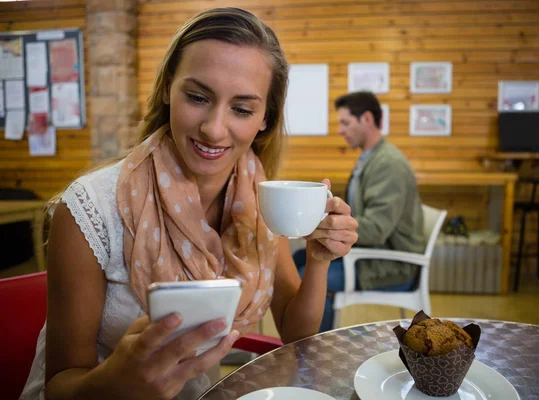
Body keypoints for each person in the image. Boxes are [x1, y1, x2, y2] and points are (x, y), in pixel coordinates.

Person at [21, 8, 358, 400]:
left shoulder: (260, 198)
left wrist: (318, 259)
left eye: (242, 109)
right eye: (198, 97)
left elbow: (295, 333)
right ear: (167, 88)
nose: (214, 128)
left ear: (266, 117)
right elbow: (59, 387)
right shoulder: (90, 209)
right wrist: (118, 381)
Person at [294, 91, 425, 333]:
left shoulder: (388, 163)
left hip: (390, 265)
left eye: (345, 122)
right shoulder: (371, 158)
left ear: (366, 119)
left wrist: (324, 224)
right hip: (371, 255)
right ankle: (310, 340)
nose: (340, 130)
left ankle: (310, 351)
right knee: (299, 260)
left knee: (307, 276)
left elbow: (375, 230)